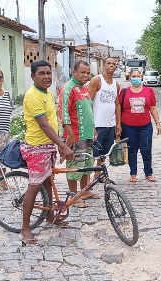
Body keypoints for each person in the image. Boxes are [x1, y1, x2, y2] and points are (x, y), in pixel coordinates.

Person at [19, 60, 75, 246]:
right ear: (33, 76)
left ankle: (50, 215)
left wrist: (59, 142)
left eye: (48, 73)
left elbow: (52, 121)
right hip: (36, 147)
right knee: (35, 186)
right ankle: (25, 228)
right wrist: (63, 145)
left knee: (48, 183)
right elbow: (43, 124)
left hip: (48, 145)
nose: (46, 77)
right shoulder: (33, 95)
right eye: (41, 73)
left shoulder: (48, 94)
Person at [59, 60, 97, 208]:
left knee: (86, 165)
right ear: (74, 72)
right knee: (75, 166)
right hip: (75, 135)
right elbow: (63, 113)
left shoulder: (84, 88)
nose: (85, 75)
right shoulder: (67, 88)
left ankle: (84, 191)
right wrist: (70, 134)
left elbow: (88, 110)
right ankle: (74, 197)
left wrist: (93, 128)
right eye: (82, 72)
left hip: (86, 134)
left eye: (87, 73)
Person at [115, 70, 161, 183]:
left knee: (146, 149)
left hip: (145, 125)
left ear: (142, 77)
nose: (136, 78)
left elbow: (153, 108)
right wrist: (118, 124)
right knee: (132, 150)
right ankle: (133, 173)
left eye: (138, 76)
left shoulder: (149, 91)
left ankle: (148, 173)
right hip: (128, 126)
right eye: (133, 76)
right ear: (130, 77)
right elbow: (119, 107)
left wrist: (158, 123)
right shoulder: (124, 92)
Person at [87, 56, 120, 180]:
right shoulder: (97, 80)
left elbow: (117, 104)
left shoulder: (116, 85)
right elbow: (88, 102)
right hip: (97, 123)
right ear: (104, 66)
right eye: (109, 63)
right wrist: (91, 124)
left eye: (113, 64)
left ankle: (99, 174)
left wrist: (118, 123)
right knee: (94, 151)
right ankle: (88, 177)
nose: (111, 65)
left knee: (104, 152)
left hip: (110, 123)